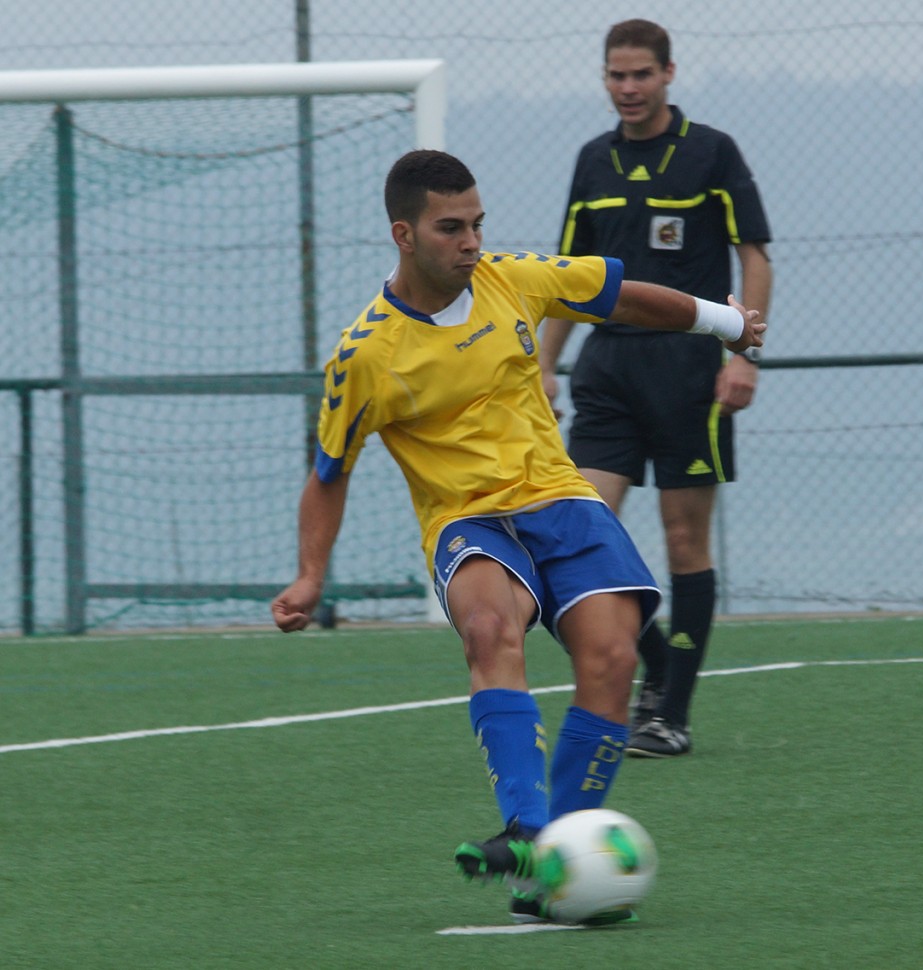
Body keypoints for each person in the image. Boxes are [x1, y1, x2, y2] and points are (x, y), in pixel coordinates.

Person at [271, 149, 764, 923]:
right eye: (450, 228)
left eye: (476, 224)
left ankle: (550, 862)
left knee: (613, 657)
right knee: (491, 628)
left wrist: (725, 322)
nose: (469, 242)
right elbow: (328, 474)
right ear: (404, 235)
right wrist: (308, 577)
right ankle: (528, 827)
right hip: (467, 522)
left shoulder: (513, 279)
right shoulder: (365, 353)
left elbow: (622, 298)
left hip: (560, 499)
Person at [539, 19, 774, 759]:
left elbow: (754, 256)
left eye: (641, 74)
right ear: (604, 78)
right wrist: (540, 365)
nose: (628, 88)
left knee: (681, 539)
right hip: (608, 368)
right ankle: (661, 668)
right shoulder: (593, 160)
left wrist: (743, 354)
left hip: (688, 368)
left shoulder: (711, 151)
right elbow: (565, 278)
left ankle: (670, 714)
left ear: (669, 74)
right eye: (616, 75)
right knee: (577, 532)